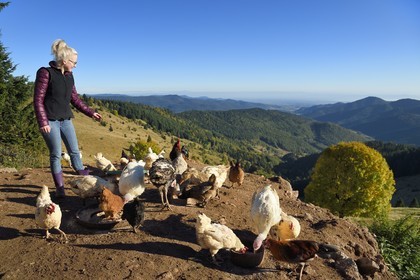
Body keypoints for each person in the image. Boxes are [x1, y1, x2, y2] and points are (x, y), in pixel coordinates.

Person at [33, 39, 102, 198]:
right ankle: (60, 188)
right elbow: (38, 99)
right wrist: (43, 122)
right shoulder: (45, 73)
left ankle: (85, 180)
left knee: (75, 152)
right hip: (49, 121)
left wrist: (91, 113)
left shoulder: (69, 76)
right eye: (74, 62)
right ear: (65, 61)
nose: (76, 65)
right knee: (56, 154)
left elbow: (75, 99)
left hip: (65, 120)